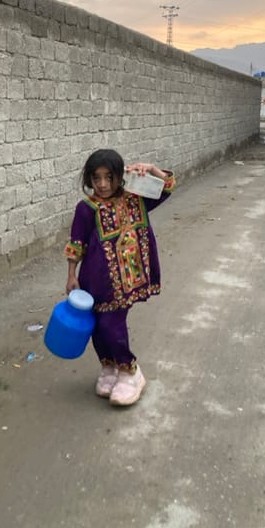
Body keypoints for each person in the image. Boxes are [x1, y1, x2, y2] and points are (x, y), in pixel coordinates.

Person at [65, 149, 175, 406]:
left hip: (127, 281)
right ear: (89, 180)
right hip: (94, 280)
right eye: (96, 178)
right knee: (97, 329)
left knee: (110, 326)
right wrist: (71, 274)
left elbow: (167, 187)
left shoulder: (137, 199)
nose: (103, 184)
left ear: (119, 177)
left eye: (109, 177)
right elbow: (76, 244)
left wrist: (152, 169)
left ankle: (130, 371)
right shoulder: (86, 208)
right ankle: (109, 367)